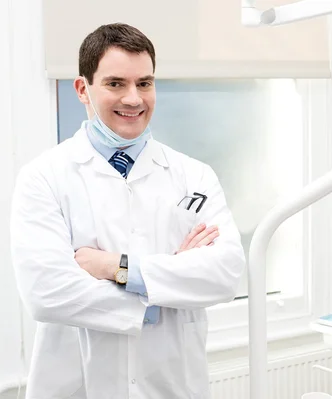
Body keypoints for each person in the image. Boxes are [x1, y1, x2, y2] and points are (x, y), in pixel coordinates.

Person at [10, 23, 245, 399]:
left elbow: (225, 273)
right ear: (82, 89)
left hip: (171, 384)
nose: (134, 99)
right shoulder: (44, 177)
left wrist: (114, 267)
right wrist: (163, 288)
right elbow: (46, 292)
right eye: (116, 84)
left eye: (145, 83)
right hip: (78, 386)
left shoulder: (193, 174)